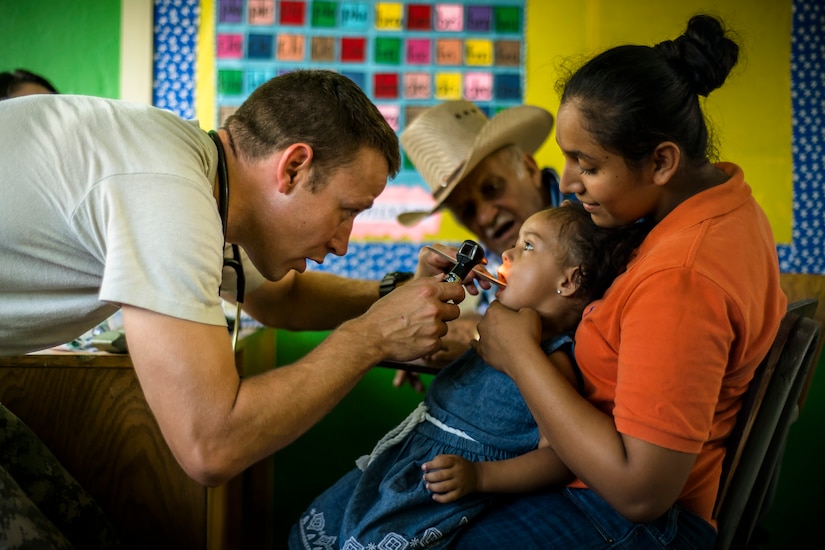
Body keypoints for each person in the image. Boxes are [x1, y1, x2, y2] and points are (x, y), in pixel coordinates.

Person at [0, 69, 467, 547]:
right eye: (347, 210)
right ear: (293, 168)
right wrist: (373, 337)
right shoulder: (166, 192)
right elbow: (209, 445)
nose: (342, 243)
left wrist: (396, 295)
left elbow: (283, 298)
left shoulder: (199, 173)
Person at [448, 14, 787, 549]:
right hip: (594, 485)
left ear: (661, 162)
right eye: (567, 157)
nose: (571, 181)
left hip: (630, 518)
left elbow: (640, 492)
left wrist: (518, 354)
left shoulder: (681, 277)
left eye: (587, 163)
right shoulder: (717, 204)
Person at [290, 203, 653, 550]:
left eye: (528, 246)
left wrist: (481, 477)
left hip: (439, 487)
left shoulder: (549, 363)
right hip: (402, 464)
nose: (507, 254)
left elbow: (557, 461)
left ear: (570, 280)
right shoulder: (493, 338)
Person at [390, 100, 572, 376]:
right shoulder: (496, 255)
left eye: (492, 188)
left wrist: (476, 340)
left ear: (530, 168)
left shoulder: (594, 218)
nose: (485, 217)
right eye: (468, 210)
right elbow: (494, 315)